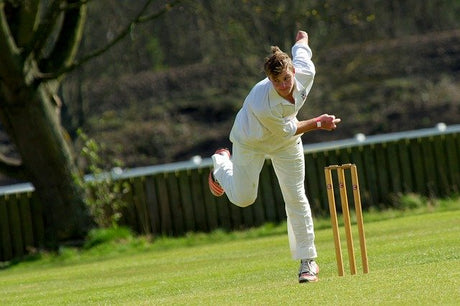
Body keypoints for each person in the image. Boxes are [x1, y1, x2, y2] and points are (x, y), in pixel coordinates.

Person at [208, 30, 341, 283]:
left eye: (286, 78)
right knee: (244, 198)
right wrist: (318, 122)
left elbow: (301, 49)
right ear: (269, 78)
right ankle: (221, 163)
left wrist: (302, 38)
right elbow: (289, 128)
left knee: (295, 194)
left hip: (286, 143)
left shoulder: (305, 73)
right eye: (276, 80)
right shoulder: (262, 102)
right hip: (251, 140)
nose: (283, 85)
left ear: (293, 71)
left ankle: (307, 262)